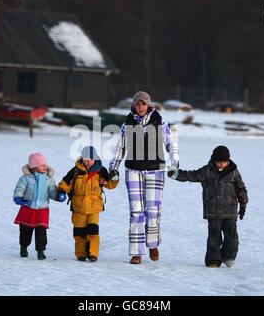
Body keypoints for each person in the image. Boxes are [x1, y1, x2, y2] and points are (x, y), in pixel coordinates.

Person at [109, 91, 179, 264]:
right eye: (138, 104)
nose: (140, 107)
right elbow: (120, 148)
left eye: (143, 104)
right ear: (134, 105)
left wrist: (174, 164)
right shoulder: (128, 123)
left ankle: (153, 244)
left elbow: (171, 144)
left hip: (156, 171)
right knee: (136, 211)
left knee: (153, 211)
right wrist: (113, 168)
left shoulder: (159, 122)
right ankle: (137, 252)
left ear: (149, 105)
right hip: (133, 171)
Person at [167, 146, 248, 268]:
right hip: (213, 212)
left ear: (228, 161)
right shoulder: (207, 171)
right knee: (214, 238)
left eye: (224, 162)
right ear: (213, 160)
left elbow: (241, 189)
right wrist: (175, 174)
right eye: (219, 162)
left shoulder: (233, 172)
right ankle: (213, 261)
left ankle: (229, 258)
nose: (221, 165)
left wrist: (243, 205)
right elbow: (191, 175)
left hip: (230, 211)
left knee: (232, 238)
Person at [58, 146, 119, 262]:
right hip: (78, 207)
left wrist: (114, 178)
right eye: (85, 159)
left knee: (93, 230)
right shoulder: (76, 170)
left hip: (94, 207)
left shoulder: (101, 171)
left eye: (90, 159)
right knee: (79, 232)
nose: (88, 162)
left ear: (95, 158)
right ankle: (80, 253)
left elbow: (110, 185)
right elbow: (65, 183)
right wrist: (62, 191)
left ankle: (93, 253)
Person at [13, 153, 64, 260]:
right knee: (25, 230)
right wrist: (18, 197)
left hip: (42, 210)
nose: (44, 166)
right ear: (34, 167)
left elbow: (52, 192)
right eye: (41, 164)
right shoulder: (25, 178)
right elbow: (19, 189)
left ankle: (40, 251)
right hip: (28, 208)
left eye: (45, 164)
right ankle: (23, 247)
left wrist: (58, 196)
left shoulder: (48, 179)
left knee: (41, 232)